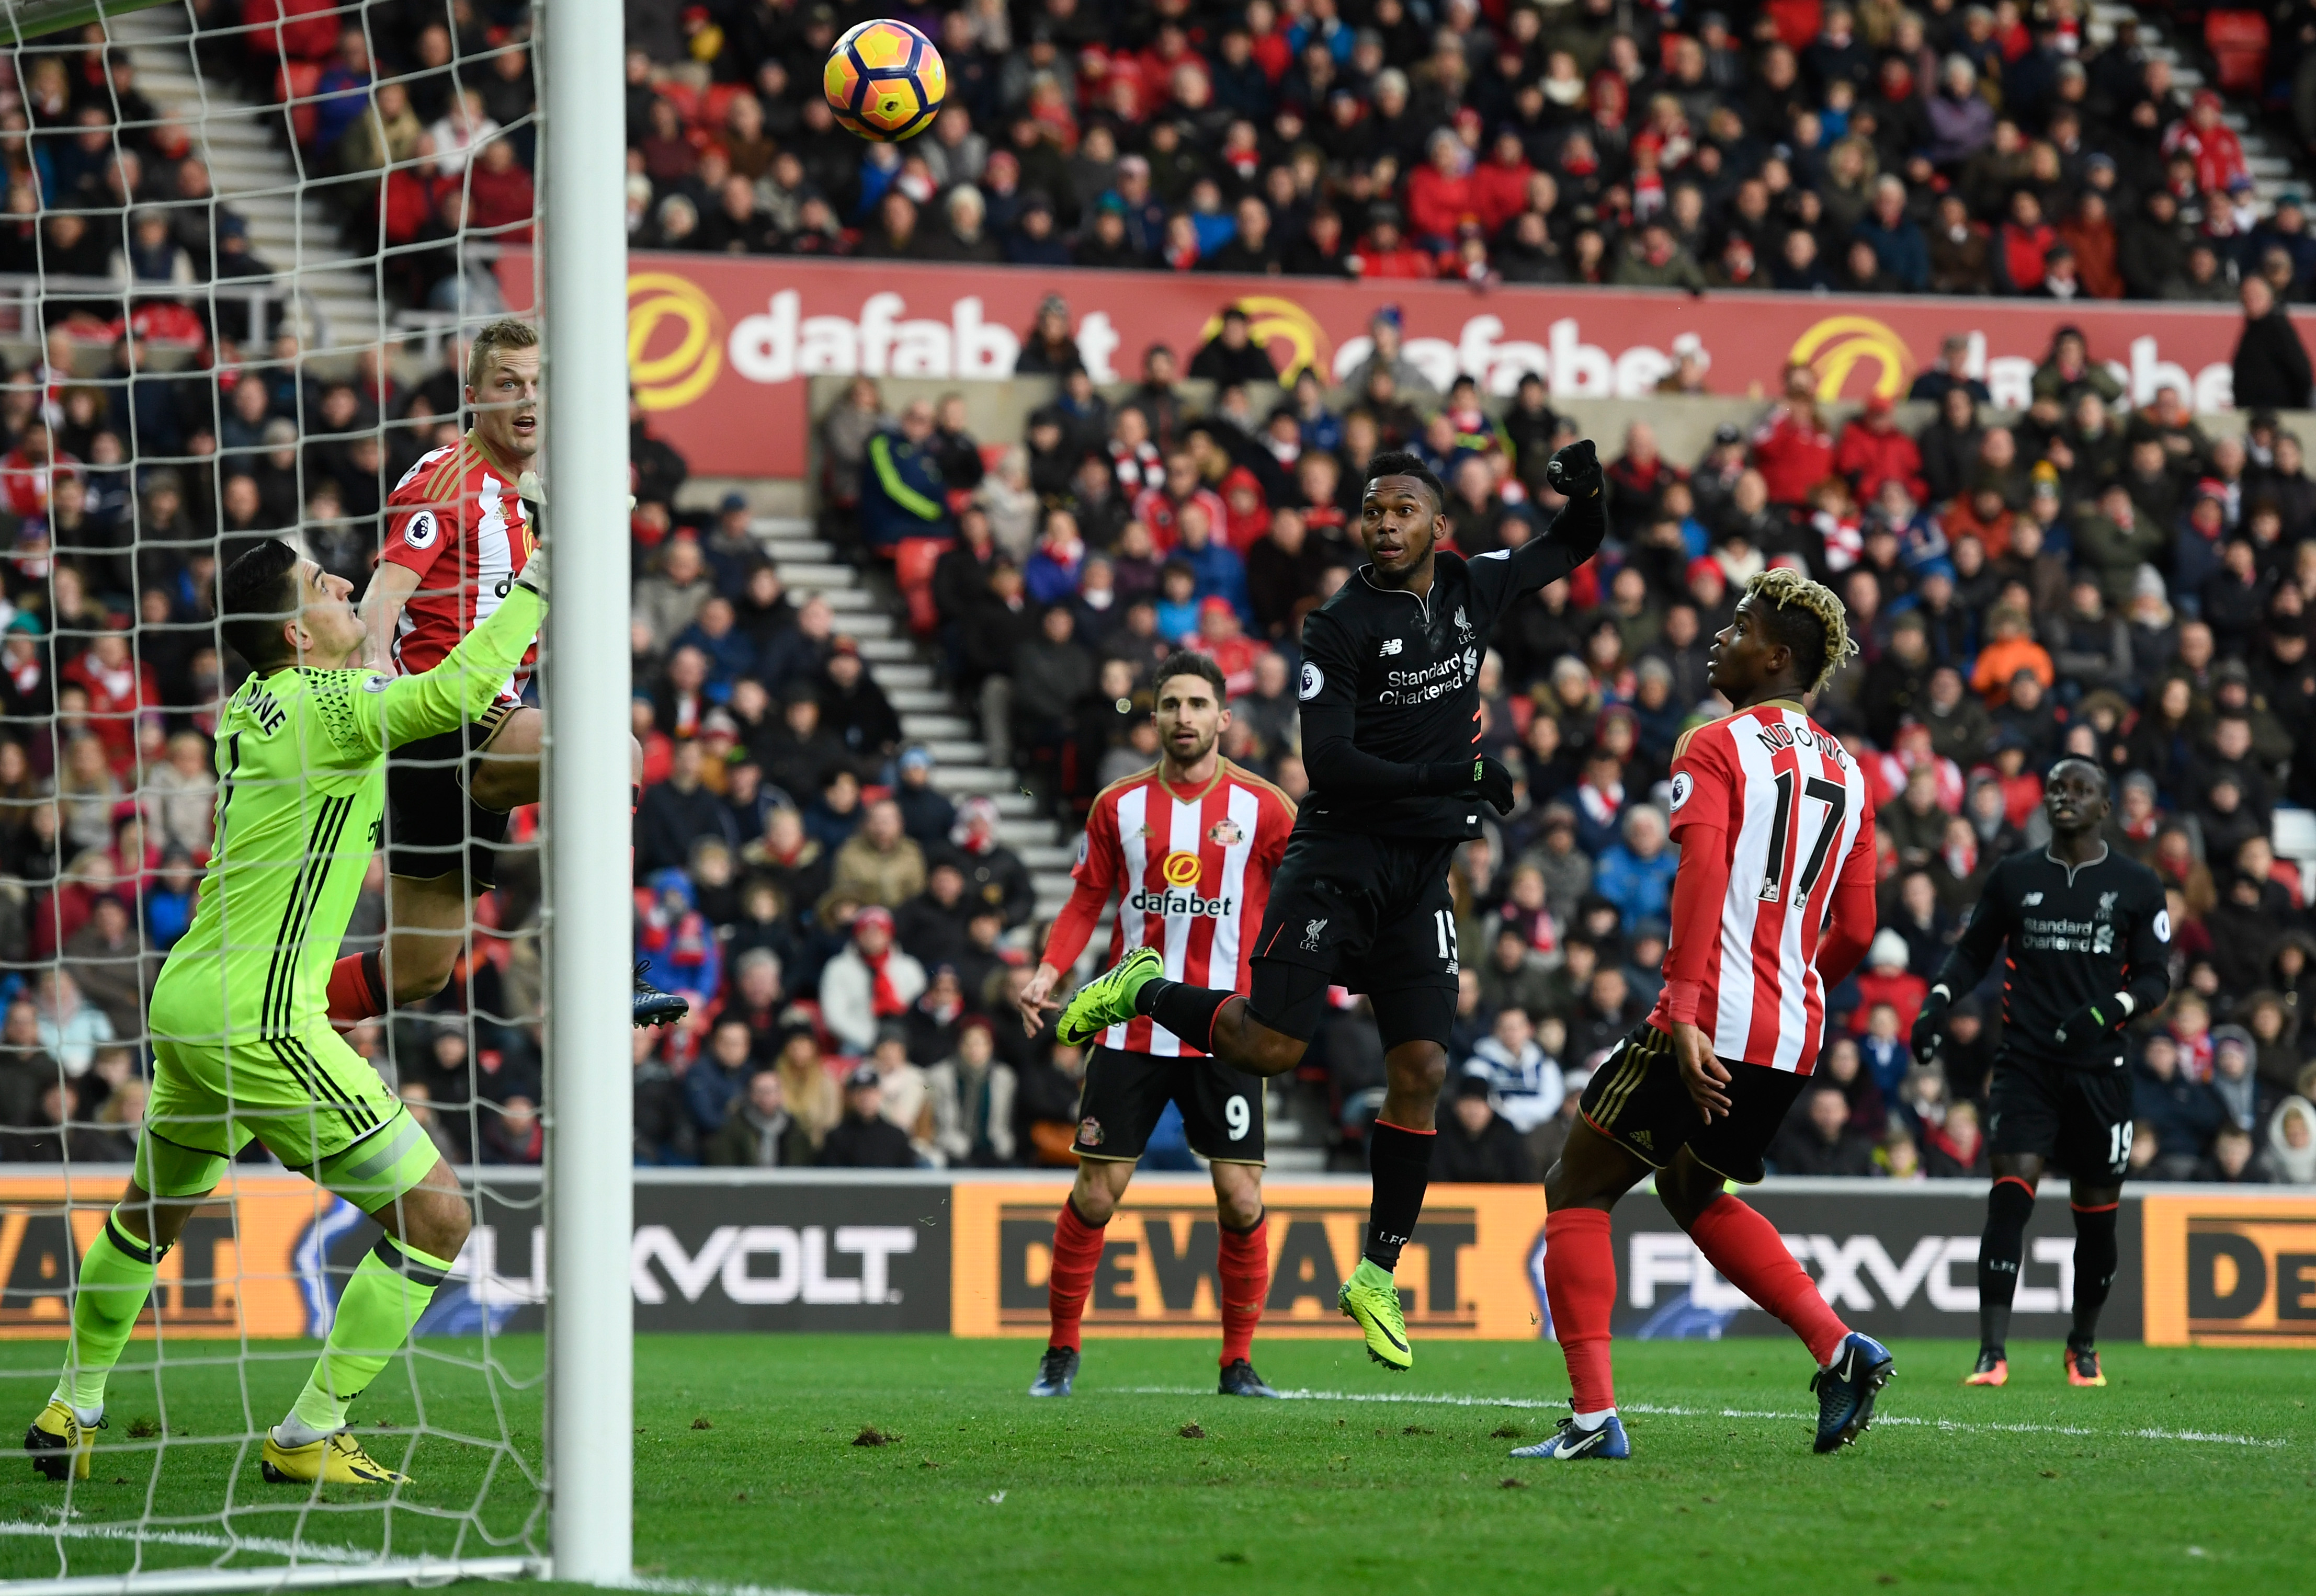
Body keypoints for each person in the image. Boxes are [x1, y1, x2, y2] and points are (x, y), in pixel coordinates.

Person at [1050, 442, 1608, 1374]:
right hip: (1338, 859)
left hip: (1420, 874)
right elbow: (1335, 763)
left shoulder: (1475, 588)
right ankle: (1142, 990)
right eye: (1369, 511)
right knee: (1273, 1046)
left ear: (1439, 525)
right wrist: (1456, 772)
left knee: (1425, 1063)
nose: (1381, 525)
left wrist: (1586, 487)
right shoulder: (1336, 624)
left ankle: (1377, 1273)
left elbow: (1575, 541)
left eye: (1399, 510)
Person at [25, 535, 546, 1488]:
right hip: (257, 1020)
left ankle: (75, 1402)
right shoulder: (326, 705)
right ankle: (310, 1431)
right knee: (436, 1218)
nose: (345, 582)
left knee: (147, 1217)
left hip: (188, 1001)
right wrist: (540, 580)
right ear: (298, 632)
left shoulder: (252, 704)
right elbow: (460, 694)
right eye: (322, 581)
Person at [1526, 568, 1892, 1463]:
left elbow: (1697, 881)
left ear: (1774, 655)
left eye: (1737, 626)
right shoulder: (1850, 770)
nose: (1716, 637)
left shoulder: (1714, 746)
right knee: (1690, 1189)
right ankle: (1839, 1348)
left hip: (1707, 1017)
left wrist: (1687, 1007)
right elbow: (1859, 928)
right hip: (1789, 1032)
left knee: (1574, 1189)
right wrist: (1795, 982)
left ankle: (1589, 1419)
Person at [331, 317, 679, 1032]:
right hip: (437, 723)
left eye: (536, 384)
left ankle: (278, 1010)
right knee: (616, 755)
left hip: (482, 724)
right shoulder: (446, 480)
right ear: (474, 397)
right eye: (507, 384)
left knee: (417, 971)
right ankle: (609, 970)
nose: (526, 400)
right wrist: (371, 700)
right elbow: (382, 598)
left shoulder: (529, 496)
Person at [1015, 652, 1296, 1400]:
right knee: (1098, 1195)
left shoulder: (1266, 808)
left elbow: (1302, 899)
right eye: (1170, 705)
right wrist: (1050, 970)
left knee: (1241, 1198)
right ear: (1155, 718)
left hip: (1226, 1029)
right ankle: (1060, 1353)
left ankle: (1237, 1364)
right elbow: (1085, 901)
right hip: (1129, 1027)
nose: (1183, 717)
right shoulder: (1119, 807)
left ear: (1223, 718)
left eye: (1197, 704)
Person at [1912, 757, 2171, 1389]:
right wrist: (1937, 1002)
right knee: (2010, 1193)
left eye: (2081, 790)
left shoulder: (2137, 884)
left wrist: (2112, 1010)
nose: (2065, 797)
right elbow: (1973, 952)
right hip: (2026, 1065)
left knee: (2096, 1215)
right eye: (2057, 787)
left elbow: (2158, 977)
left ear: (2105, 807)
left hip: (2101, 1071)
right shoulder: (2015, 875)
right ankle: (1991, 1352)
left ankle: (2083, 1344)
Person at [817, 1064, 918, 1167]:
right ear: (851, 1097)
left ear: (880, 1094)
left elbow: (909, 1176)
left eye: (870, 1091)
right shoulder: (837, 1137)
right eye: (860, 1092)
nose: (866, 1098)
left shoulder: (896, 1136)